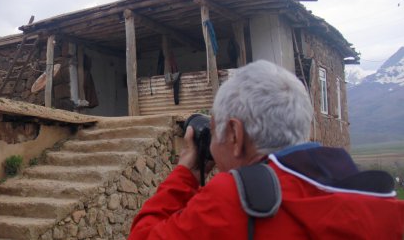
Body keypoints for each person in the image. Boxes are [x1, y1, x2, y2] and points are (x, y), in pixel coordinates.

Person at [129, 60, 404, 239]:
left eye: (215, 131)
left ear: (235, 134)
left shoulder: (232, 200)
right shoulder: (379, 201)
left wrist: (185, 173)